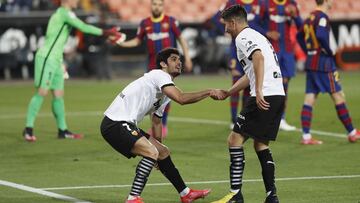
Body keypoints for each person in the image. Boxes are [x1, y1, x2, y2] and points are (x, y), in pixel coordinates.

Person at [100, 48, 211, 203]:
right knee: (151, 152)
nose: (179, 62)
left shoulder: (165, 90)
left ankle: (186, 194)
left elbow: (156, 121)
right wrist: (209, 92)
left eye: (179, 59)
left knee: (162, 152)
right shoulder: (159, 75)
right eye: (173, 59)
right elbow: (182, 98)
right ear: (162, 64)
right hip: (115, 123)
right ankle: (132, 198)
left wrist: (159, 151)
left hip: (126, 124)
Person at [211, 5, 285, 203]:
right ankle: (272, 196)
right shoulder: (256, 35)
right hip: (277, 94)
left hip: (265, 93)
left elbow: (258, 58)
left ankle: (235, 195)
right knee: (260, 144)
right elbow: (250, 72)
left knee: (234, 140)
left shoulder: (243, 37)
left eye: (226, 25)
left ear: (233, 23)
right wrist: (229, 92)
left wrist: (259, 91)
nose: (225, 29)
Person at [22, 0, 124, 142]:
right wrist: (106, 32)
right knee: (42, 92)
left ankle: (62, 130)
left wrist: (61, 61)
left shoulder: (66, 14)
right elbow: (83, 27)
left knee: (58, 94)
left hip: (56, 59)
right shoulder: (63, 13)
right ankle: (28, 129)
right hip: (47, 57)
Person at [115, 0, 193, 138]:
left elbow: (181, 39)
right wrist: (121, 43)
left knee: (166, 95)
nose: (157, 6)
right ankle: (155, 125)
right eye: (154, 4)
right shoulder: (145, 23)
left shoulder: (170, 21)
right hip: (152, 66)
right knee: (152, 97)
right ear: (151, 6)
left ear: (163, 6)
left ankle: (162, 125)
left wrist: (187, 57)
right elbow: (137, 41)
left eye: (159, 4)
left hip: (167, 68)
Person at [296, 0, 360, 144]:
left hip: (311, 62)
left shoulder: (309, 17)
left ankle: (306, 137)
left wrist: (309, 52)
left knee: (310, 97)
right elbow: (321, 35)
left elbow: (299, 36)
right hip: (323, 63)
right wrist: (329, 50)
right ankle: (352, 132)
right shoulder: (322, 17)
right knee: (338, 95)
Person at [206, 0, 266, 129]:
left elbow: (263, 23)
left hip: (253, 47)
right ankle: (233, 119)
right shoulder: (232, 2)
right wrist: (227, 27)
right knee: (236, 81)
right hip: (237, 49)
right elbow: (217, 18)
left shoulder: (261, 3)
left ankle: (245, 118)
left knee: (250, 85)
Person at [263, 0, 303, 131]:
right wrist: (267, 33)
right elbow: (254, 23)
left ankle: (281, 118)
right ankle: (266, 118)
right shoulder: (265, 4)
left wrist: (295, 15)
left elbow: (301, 27)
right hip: (271, 50)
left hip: (287, 51)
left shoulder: (292, 4)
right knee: (269, 84)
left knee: (285, 84)